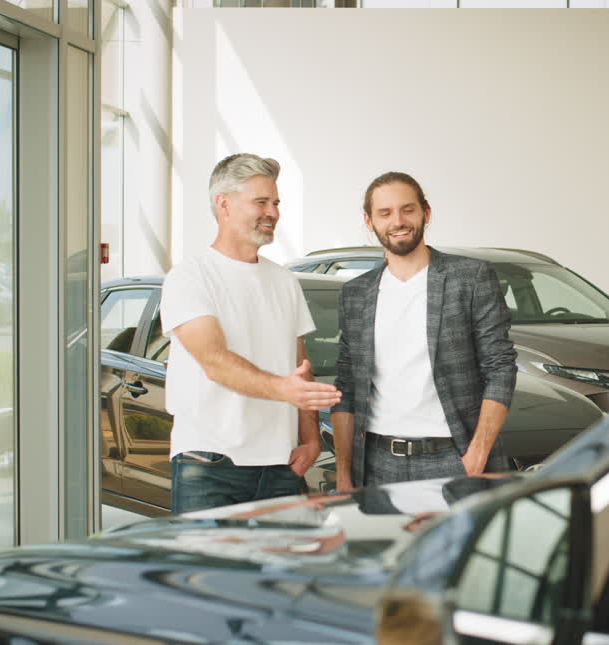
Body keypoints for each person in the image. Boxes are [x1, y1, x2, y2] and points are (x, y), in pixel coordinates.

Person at [161, 153, 341, 512]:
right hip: (209, 466)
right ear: (224, 204)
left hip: (280, 466)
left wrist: (310, 440)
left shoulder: (284, 281)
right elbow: (215, 361)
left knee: (279, 570)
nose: (273, 212)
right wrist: (282, 389)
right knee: (211, 571)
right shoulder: (190, 277)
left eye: (275, 203)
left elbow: (299, 365)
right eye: (261, 201)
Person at [332, 171, 517, 490]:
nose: (398, 221)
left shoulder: (470, 278)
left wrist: (477, 454)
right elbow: (346, 384)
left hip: (453, 458)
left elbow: (500, 367)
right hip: (377, 464)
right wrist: (344, 471)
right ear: (369, 220)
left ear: (425, 213)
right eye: (385, 213)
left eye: (408, 209)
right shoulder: (356, 294)